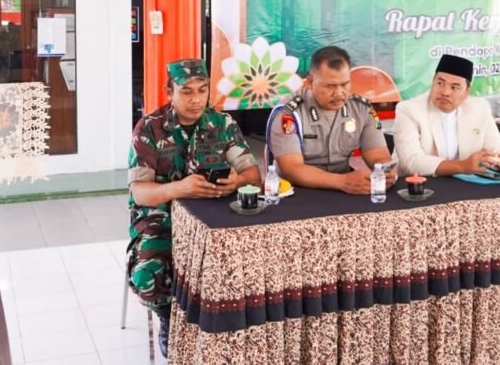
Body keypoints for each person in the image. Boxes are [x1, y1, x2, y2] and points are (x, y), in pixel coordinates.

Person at [127, 58, 260, 358]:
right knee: (147, 276)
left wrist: (236, 181)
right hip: (162, 218)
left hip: (213, 217)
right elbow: (140, 193)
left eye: (202, 90)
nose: (196, 98)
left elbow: (253, 175)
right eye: (186, 91)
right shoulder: (149, 128)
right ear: (169, 91)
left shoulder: (222, 124)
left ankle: (225, 328)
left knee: (248, 263)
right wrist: (180, 188)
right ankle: (167, 318)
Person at [266, 45, 396, 193]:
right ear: (310, 82)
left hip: (344, 190)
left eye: (345, 84)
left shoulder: (362, 109)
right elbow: (292, 169)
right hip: (297, 191)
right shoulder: (289, 112)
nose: (339, 93)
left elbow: (379, 155)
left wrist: (386, 171)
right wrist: (343, 182)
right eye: (330, 86)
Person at [394, 54, 500, 176]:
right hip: (419, 183)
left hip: (464, 183)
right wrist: (463, 166)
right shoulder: (409, 110)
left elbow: (497, 149)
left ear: (467, 91)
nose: (445, 92)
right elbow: (412, 162)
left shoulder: (480, 108)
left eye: (454, 87)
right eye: (440, 83)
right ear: (433, 81)